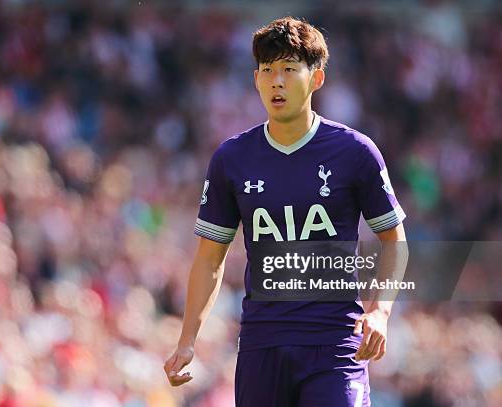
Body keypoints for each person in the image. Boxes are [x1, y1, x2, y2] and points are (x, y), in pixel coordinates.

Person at [164, 16, 407, 406]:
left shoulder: (355, 152)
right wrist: (188, 340)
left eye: (289, 70)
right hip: (263, 345)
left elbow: (394, 240)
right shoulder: (232, 158)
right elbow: (210, 258)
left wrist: (379, 313)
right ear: (256, 79)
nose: (276, 81)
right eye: (267, 70)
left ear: (317, 79)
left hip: (335, 345)